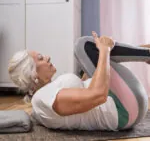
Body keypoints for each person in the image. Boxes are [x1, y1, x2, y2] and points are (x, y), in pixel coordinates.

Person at [8, 31, 149, 131]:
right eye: (40, 58)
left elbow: (83, 97)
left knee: (92, 55)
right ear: (33, 75)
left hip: (128, 108)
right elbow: (98, 95)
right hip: (123, 110)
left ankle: (144, 52)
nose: (47, 57)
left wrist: (93, 61)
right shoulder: (43, 99)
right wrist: (105, 50)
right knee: (83, 46)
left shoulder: (45, 95)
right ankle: (145, 53)